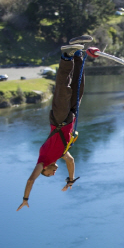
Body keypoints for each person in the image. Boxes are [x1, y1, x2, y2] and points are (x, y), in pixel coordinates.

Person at [17, 35, 101, 211]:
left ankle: (65, 57)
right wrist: (70, 180)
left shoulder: (43, 160)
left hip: (58, 119)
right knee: (79, 87)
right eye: (52, 173)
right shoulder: (61, 155)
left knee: (63, 89)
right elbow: (71, 163)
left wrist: (26, 198)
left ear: (44, 170)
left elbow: (31, 179)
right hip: (70, 118)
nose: (53, 173)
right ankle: (77, 54)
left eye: (49, 174)